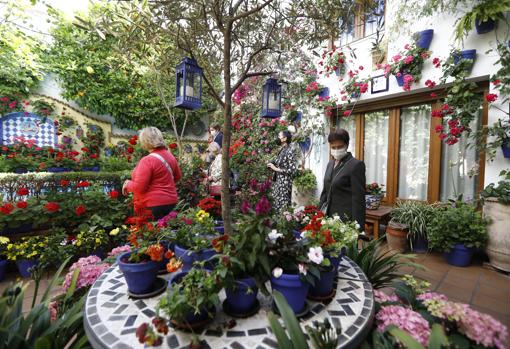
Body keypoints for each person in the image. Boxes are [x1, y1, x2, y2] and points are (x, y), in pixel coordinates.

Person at [122, 127, 182, 220]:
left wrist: (128, 184)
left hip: (152, 205)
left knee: (150, 233)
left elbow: (139, 188)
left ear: (145, 142)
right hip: (170, 202)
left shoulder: (147, 160)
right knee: (167, 232)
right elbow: (177, 177)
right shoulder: (170, 156)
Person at [318, 129, 366, 229]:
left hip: (345, 220)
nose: (336, 150)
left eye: (339, 147)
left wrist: (358, 227)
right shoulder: (330, 164)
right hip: (328, 217)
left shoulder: (356, 165)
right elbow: (325, 191)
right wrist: (318, 214)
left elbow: (358, 199)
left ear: (347, 145)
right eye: (333, 147)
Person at [268, 130, 298, 213]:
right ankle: (278, 223)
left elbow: (292, 170)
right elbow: (279, 162)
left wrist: (276, 169)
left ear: (284, 138)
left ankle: (284, 223)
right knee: (277, 204)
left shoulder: (290, 150)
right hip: (278, 182)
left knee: (283, 206)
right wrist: (271, 163)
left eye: (279, 136)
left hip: (285, 184)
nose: (277, 138)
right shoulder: (282, 150)